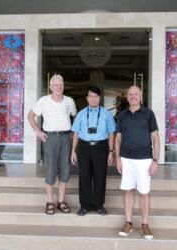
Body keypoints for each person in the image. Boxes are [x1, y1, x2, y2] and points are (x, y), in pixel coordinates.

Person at [115, 85, 160, 240]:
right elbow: (118, 138)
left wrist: (155, 160)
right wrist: (117, 158)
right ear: (127, 97)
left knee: (144, 192)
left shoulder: (148, 114)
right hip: (126, 159)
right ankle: (128, 222)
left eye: (136, 94)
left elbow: (155, 137)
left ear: (141, 96)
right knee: (128, 190)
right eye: (130, 94)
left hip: (144, 159)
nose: (133, 96)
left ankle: (145, 225)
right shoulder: (122, 115)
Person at [28, 74, 77, 215]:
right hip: (50, 138)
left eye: (60, 84)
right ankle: (50, 201)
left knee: (64, 169)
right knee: (50, 169)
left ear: (63, 86)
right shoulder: (44, 100)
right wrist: (38, 131)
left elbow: (74, 115)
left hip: (66, 137)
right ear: (50, 87)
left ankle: (61, 201)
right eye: (55, 85)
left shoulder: (69, 101)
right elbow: (30, 116)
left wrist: (72, 131)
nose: (58, 87)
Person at [71, 85, 116, 216]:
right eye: (91, 96)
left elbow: (111, 133)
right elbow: (75, 133)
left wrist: (111, 151)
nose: (93, 99)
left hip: (101, 147)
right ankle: (84, 205)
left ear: (99, 98)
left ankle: (99, 205)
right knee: (84, 176)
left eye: (96, 96)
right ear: (87, 98)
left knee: (100, 176)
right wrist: (73, 150)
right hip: (84, 148)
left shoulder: (107, 114)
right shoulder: (81, 114)